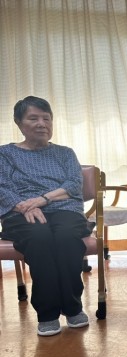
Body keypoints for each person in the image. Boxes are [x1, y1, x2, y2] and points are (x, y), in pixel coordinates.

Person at [0, 96, 91, 336]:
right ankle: (47, 313)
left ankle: (73, 307)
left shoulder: (65, 153)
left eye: (46, 118)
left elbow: (73, 184)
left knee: (66, 238)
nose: (42, 124)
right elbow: (2, 187)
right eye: (34, 118)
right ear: (19, 123)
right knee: (39, 239)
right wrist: (24, 206)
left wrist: (41, 200)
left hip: (64, 208)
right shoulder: (5, 153)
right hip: (21, 212)